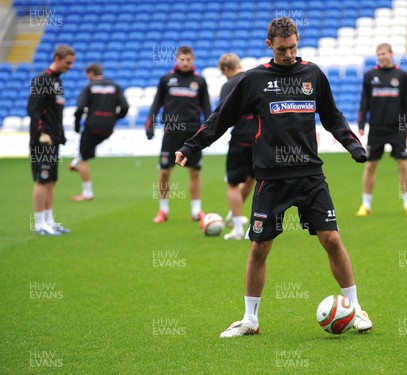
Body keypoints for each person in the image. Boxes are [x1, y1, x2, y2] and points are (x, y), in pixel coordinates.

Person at [175, 17, 373, 337]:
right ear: (270, 45)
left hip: (310, 173)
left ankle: (357, 308)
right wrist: (191, 146)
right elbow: (221, 118)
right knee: (259, 247)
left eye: (294, 46)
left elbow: (332, 117)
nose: (290, 53)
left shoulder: (313, 74)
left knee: (332, 239)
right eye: (282, 49)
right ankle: (250, 319)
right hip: (270, 177)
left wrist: (353, 145)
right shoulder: (254, 80)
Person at [145, 45, 212, 223]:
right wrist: (150, 125)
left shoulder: (200, 81)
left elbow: (207, 109)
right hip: (171, 133)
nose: (185, 62)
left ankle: (196, 211)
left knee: (195, 172)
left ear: (193, 60)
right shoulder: (166, 79)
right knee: (165, 171)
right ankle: (163, 210)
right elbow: (156, 104)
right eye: (182, 59)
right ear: (177, 59)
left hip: (193, 134)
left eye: (188, 59)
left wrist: (209, 132)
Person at [356, 43, 407, 217]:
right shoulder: (370, 76)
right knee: (371, 165)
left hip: (397, 129)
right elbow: (364, 102)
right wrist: (361, 125)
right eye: (378, 54)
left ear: (391, 54)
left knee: (403, 163)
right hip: (376, 129)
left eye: (383, 53)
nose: (381, 56)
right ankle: (365, 204)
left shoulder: (402, 76)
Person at [28, 45, 75, 235]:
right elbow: (33, 110)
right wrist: (40, 135)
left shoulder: (57, 82)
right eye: (67, 62)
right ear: (57, 58)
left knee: (52, 181)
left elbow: (55, 112)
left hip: (54, 139)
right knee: (42, 179)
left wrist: (61, 135)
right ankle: (39, 224)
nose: (70, 66)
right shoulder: (42, 79)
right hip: (42, 140)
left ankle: (49, 221)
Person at [70, 63, 129, 200]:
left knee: (84, 158)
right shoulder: (115, 86)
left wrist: (77, 125)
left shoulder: (89, 87)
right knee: (89, 147)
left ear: (91, 73)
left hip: (92, 126)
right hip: (108, 128)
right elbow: (125, 107)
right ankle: (76, 161)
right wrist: (114, 118)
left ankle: (87, 192)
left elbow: (79, 109)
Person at [217, 53, 255, 240]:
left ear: (225, 69)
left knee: (232, 183)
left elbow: (224, 114)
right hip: (260, 137)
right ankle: (236, 215)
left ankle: (238, 228)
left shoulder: (229, 85)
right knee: (252, 178)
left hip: (240, 138)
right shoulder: (255, 79)